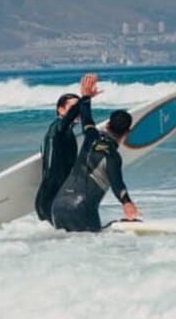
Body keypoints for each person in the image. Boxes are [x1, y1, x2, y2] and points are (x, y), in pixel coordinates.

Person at [50, 84, 141, 232]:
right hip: (81, 209)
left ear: (108, 124)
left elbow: (87, 119)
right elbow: (118, 184)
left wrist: (86, 97)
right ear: (128, 132)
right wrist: (127, 203)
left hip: (58, 206)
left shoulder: (91, 137)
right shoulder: (112, 156)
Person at [34, 73, 97, 223]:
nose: (77, 111)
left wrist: (86, 102)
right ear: (61, 110)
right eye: (73, 107)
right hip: (50, 200)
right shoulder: (57, 130)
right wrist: (84, 98)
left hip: (58, 198)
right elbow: (67, 120)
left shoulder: (65, 133)